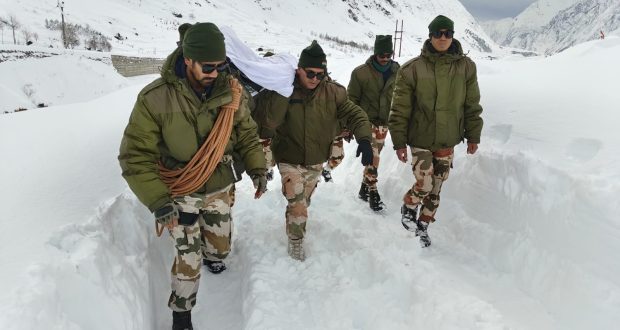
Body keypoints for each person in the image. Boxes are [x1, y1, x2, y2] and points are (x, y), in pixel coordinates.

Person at [118, 22, 267, 330]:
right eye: (208, 66)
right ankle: (181, 314)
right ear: (188, 60)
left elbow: (247, 133)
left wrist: (257, 168)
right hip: (181, 186)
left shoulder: (232, 93)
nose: (215, 72)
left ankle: (216, 254)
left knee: (220, 246)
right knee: (189, 253)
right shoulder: (155, 99)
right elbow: (135, 155)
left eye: (221, 65)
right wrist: (158, 200)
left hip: (220, 184)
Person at [254, 40, 373, 261]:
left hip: (317, 159)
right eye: (310, 73)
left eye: (320, 74)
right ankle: (296, 241)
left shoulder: (334, 93)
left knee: (304, 201)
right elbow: (266, 119)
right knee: (298, 204)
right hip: (289, 157)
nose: (315, 79)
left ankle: (295, 214)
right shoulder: (283, 90)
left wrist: (364, 138)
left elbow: (354, 114)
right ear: (299, 69)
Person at [388, 15, 483, 248]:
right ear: (430, 36)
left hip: (448, 138)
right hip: (420, 137)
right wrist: (399, 142)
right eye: (438, 33)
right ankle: (409, 204)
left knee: (437, 187)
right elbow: (399, 109)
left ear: (452, 36)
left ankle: (423, 225)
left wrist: (473, 135)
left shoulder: (466, 67)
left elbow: (472, 104)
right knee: (426, 183)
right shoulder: (412, 69)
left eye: (447, 34)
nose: (443, 38)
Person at [347, 34, 400, 211]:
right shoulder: (360, 73)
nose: (385, 59)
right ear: (375, 53)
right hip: (365, 122)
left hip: (384, 123)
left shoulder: (398, 72)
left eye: (388, 55)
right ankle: (373, 193)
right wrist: (349, 124)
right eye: (381, 55)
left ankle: (363, 189)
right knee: (374, 157)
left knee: (373, 159)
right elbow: (351, 100)